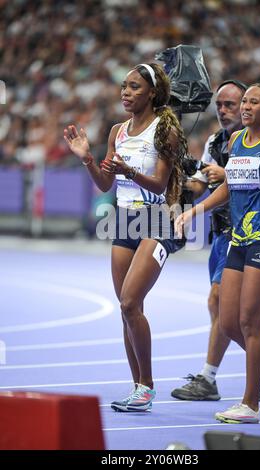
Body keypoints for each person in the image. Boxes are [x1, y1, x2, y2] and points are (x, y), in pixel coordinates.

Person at [64, 63, 187, 412]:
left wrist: (129, 170)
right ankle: (137, 387)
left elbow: (161, 184)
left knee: (131, 302)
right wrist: (88, 158)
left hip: (155, 219)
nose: (125, 93)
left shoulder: (165, 128)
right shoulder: (117, 131)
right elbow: (106, 184)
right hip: (124, 220)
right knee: (126, 310)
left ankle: (147, 385)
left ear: (152, 92)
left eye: (134, 87)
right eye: (123, 86)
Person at [175, 82, 260, 423]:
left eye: (252, 101)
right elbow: (229, 188)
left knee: (250, 322)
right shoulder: (235, 140)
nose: (245, 106)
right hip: (239, 238)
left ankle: (251, 405)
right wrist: (194, 210)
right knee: (228, 323)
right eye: (243, 101)